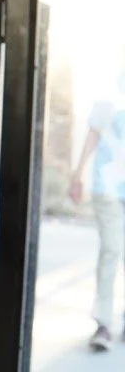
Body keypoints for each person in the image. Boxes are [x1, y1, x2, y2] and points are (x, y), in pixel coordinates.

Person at [69, 72, 125, 352]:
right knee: (112, 248)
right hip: (109, 187)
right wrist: (77, 174)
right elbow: (93, 135)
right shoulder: (110, 96)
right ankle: (103, 322)